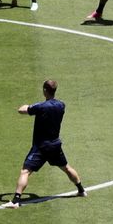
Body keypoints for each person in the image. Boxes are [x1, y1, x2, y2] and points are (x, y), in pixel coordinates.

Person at [9, 79, 86, 207]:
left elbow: (21, 110)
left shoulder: (40, 107)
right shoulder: (61, 105)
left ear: (45, 90)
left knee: (25, 171)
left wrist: (28, 106)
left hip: (40, 147)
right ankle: (81, 190)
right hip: (55, 145)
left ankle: (16, 201)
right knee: (66, 168)